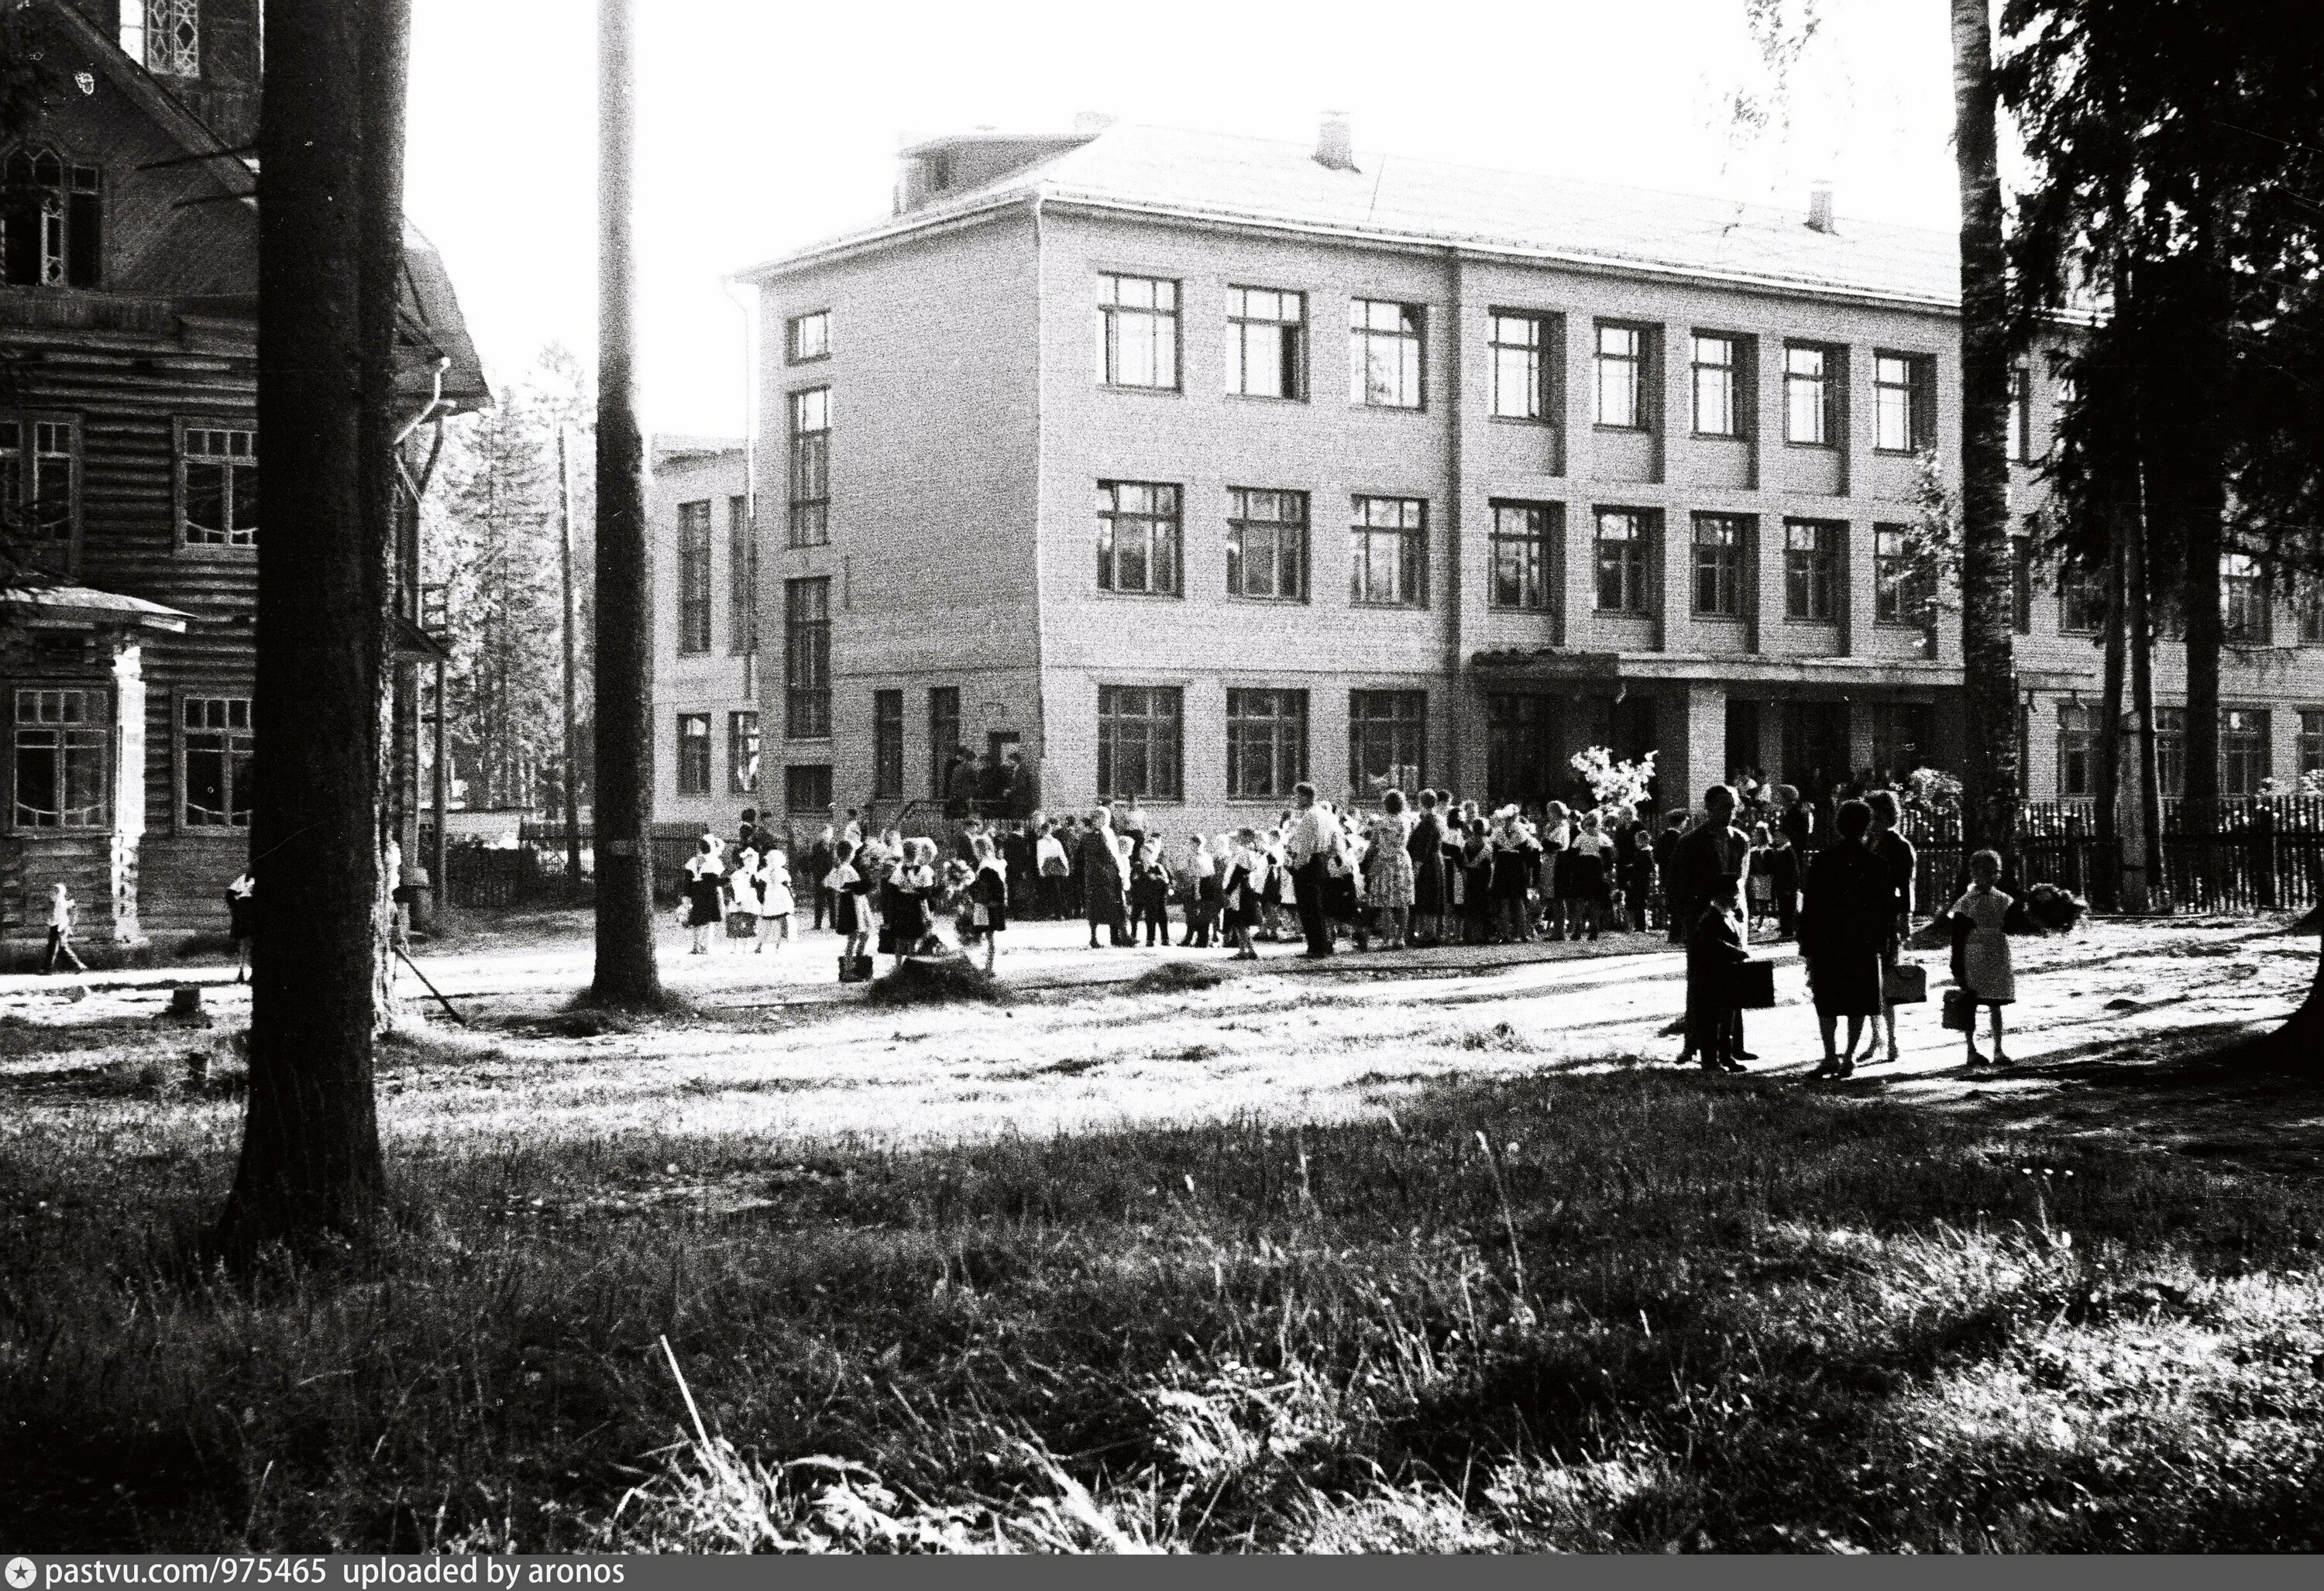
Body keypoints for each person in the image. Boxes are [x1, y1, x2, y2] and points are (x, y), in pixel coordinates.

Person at [1798, 799, 1893, 1078]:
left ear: (1839, 826)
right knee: (1859, 1000)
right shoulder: (1877, 864)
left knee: (1826, 999)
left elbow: (1811, 904)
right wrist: (1882, 941)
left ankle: (1829, 1056)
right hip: (1862, 941)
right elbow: (1884, 908)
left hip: (1827, 939)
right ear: (1867, 827)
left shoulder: (1823, 861)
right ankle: (1849, 1057)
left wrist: (1807, 942)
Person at [1667, 788, 1754, 1062]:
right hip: (1702, 921)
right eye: (1721, 807)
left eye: (1732, 807)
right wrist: (1688, 920)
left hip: (1732, 919)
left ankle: (1732, 1046)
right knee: (1701, 984)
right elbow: (1676, 886)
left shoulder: (1740, 840)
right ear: (1708, 807)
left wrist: (1739, 914)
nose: (1727, 813)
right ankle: (1694, 1044)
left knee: (1734, 981)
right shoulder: (1690, 842)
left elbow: (1742, 881)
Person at [1865, 789, 1920, 1065]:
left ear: (1887, 816)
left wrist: (1904, 919)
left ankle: (1892, 1039)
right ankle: (1875, 1037)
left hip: (1887, 919)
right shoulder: (1866, 843)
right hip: (1866, 918)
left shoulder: (1899, 846)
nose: (1870, 821)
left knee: (1887, 982)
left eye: (1875, 816)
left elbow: (1905, 887)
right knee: (1867, 982)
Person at [1951, 849, 2018, 1067]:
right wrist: (1957, 966)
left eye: (1994, 872)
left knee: (1996, 1002)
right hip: (1974, 953)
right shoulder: (1966, 903)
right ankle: (1971, 1049)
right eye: (1985, 872)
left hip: (1997, 952)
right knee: (1970, 1002)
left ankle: (1998, 1048)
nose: (1990, 876)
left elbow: (2013, 925)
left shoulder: (2004, 900)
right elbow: (1958, 937)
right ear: (1974, 873)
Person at [1686, 878, 1751, 1072]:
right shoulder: (1710, 917)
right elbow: (1711, 944)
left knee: (1727, 1020)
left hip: (1724, 976)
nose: (1737, 898)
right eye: (1734, 894)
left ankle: (1726, 1056)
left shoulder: (1727, 916)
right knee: (1711, 1020)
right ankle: (1710, 1061)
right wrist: (1735, 952)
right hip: (1710, 978)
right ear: (1724, 896)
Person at [1283, 782, 1339, 958]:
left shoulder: (1309, 817)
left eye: (1296, 796)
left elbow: (1306, 849)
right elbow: (1334, 841)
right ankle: (1324, 943)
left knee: (1308, 908)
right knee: (1318, 906)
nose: (1294, 800)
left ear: (1305, 797)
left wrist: (1295, 867)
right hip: (1321, 861)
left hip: (1309, 865)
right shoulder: (1325, 815)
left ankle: (1316, 947)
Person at [1363, 790, 1416, 950]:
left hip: (1384, 861)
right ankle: (1400, 938)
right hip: (1401, 861)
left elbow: (1373, 846)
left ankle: (1387, 938)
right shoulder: (1406, 822)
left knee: (1385, 902)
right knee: (1403, 902)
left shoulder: (1380, 823)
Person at [1078, 809, 1128, 950]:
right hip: (1101, 875)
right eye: (1098, 818)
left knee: (1114, 904)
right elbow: (1107, 854)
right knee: (1102, 906)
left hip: (1105, 874)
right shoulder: (1093, 836)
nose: (1101, 820)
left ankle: (1117, 936)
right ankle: (1097, 938)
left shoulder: (1107, 833)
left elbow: (1114, 853)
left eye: (1104, 817)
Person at [963, 833, 1009, 974]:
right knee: (990, 936)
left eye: (976, 850)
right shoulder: (997, 863)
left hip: (985, 903)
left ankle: (988, 967)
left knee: (986, 935)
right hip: (996, 902)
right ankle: (989, 966)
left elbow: (982, 887)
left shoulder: (984, 865)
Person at [1566, 810, 1614, 941]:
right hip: (1596, 868)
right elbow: (1608, 858)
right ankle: (1594, 929)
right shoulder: (1603, 838)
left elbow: (1573, 853)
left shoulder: (1581, 837)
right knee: (1594, 900)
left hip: (1582, 867)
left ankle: (1578, 929)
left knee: (1580, 900)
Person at [1408, 790, 1448, 947]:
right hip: (1436, 860)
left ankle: (1429, 934)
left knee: (1428, 897)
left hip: (1428, 863)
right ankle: (1433, 932)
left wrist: (1416, 870)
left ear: (1421, 803)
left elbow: (1422, 849)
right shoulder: (1438, 820)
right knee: (1433, 896)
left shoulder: (1427, 823)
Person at [826, 839, 871, 967]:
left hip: (846, 901)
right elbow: (858, 887)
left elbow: (829, 883)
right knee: (857, 934)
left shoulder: (837, 869)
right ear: (850, 854)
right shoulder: (847, 870)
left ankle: (854, 962)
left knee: (858, 935)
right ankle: (852, 964)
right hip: (853, 902)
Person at [1220, 829, 1263, 960]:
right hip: (1240, 890)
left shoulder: (1243, 854)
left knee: (1240, 921)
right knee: (1240, 923)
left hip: (1239, 891)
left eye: (1238, 837)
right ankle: (1247, 949)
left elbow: (1238, 874)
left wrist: (1228, 891)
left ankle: (1245, 950)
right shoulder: (1245, 853)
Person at [682, 837, 724, 955]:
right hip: (709, 893)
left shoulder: (692, 861)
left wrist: (686, 895)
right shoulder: (714, 862)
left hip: (697, 892)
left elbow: (688, 880)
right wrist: (729, 880)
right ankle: (706, 947)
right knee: (709, 921)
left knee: (697, 920)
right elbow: (714, 881)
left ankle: (696, 946)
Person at [1129, 836, 1173, 948]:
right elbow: (1132, 879)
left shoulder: (1157, 867)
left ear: (1151, 854)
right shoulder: (1138, 866)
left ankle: (1152, 939)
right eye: (1141, 853)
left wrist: (1157, 877)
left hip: (1154, 897)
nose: (1143, 855)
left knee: (1152, 917)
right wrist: (1135, 878)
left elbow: (1166, 880)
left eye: (1145, 853)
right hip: (1140, 896)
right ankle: (1133, 937)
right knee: (1134, 916)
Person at [1181, 833, 1220, 947]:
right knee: (1205, 914)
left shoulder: (1194, 857)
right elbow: (1212, 872)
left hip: (1199, 886)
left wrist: (1197, 891)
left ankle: (1194, 940)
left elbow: (1196, 875)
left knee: (1193, 914)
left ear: (1195, 844)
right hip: (1208, 886)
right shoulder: (1207, 856)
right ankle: (1202, 940)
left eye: (1191, 843)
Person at [41, 881, 88, 974]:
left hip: (59, 927)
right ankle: (79, 965)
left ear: (59, 893)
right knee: (59, 947)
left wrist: (59, 927)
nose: (51, 894)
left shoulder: (60, 903)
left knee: (54, 948)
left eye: (54, 892)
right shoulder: (59, 903)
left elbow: (60, 917)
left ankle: (48, 969)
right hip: (57, 927)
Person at [755, 847, 794, 950]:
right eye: (769, 860)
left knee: (777, 922)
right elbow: (757, 879)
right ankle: (760, 945)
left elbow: (786, 884)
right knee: (766, 922)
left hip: (780, 898)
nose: (770, 862)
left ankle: (777, 945)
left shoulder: (782, 872)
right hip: (770, 898)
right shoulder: (766, 871)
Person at [1745, 822, 1776, 939]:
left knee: (1763, 901)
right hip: (1756, 877)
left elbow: (1770, 866)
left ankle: (1761, 922)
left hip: (1765, 877)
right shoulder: (1753, 849)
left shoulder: (1768, 850)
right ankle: (1750, 921)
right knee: (1753, 900)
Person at [1036, 820, 1073, 919]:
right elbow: (1062, 855)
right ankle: (1063, 913)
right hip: (1058, 866)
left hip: (1048, 867)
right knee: (1060, 891)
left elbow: (1041, 857)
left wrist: (1040, 869)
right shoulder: (1056, 841)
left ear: (1043, 831)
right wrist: (1067, 867)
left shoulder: (1040, 843)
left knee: (1050, 891)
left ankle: (1051, 913)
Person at [225, 870, 256, 983]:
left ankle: (242, 970)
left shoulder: (242, 878)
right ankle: (244, 971)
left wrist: (236, 907)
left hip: (244, 910)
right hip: (251, 911)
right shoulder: (245, 879)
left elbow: (229, 895)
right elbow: (229, 895)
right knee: (250, 943)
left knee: (246, 943)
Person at [807, 826, 837, 930]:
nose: (828, 835)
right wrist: (816, 875)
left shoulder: (834, 846)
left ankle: (834, 923)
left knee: (832, 901)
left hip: (831, 876)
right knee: (819, 901)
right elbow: (813, 861)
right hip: (819, 876)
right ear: (822, 834)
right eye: (826, 833)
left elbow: (836, 862)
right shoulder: (816, 846)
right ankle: (817, 924)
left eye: (830, 833)